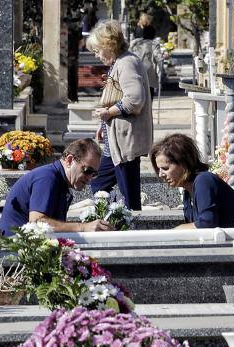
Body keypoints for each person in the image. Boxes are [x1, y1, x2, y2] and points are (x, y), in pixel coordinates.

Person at [87, 20, 152, 211]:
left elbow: (134, 99)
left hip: (125, 143)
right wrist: (103, 124)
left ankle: (129, 225)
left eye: (98, 50)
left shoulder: (126, 63)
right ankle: (112, 216)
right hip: (115, 143)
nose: (97, 55)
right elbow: (117, 97)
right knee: (98, 184)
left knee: (129, 195)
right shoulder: (120, 62)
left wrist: (108, 113)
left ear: (109, 45)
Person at [0, 139, 112, 236]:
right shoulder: (47, 177)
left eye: (94, 174)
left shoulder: (58, 180)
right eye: (88, 171)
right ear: (70, 160)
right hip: (13, 251)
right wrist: (83, 227)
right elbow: (37, 222)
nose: (90, 178)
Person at [149, 134, 234, 229]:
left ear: (184, 164)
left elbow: (207, 223)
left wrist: (177, 230)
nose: (161, 174)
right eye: (159, 169)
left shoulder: (203, 181)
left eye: (165, 168)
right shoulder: (187, 191)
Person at [129, 25, 162, 98]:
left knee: (137, 97)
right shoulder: (154, 44)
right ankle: (148, 109)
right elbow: (158, 57)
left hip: (135, 71)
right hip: (148, 74)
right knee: (149, 97)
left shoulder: (135, 43)